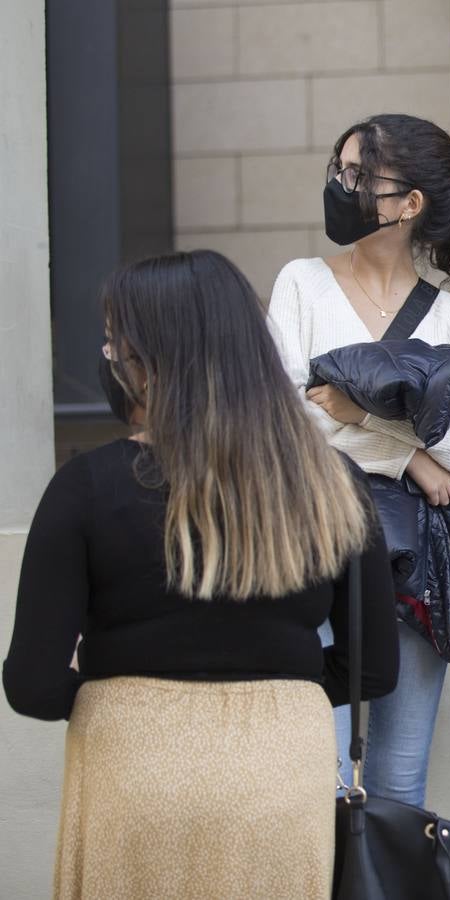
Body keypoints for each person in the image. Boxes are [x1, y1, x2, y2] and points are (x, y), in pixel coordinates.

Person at [3, 250, 399, 900]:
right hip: (280, 778)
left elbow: (31, 683)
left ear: (149, 363)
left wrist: (130, 699)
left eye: (114, 346)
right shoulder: (334, 484)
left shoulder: (85, 489)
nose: (108, 358)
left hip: (132, 774)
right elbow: (374, 669)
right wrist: (273, 693)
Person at [267, 113, 450, 806]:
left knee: (398, 783)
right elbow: (285, 420)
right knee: (315, 780)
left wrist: (366, 414)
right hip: (314, 552)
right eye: (338, 170)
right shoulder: (302, 285)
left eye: (358, 175)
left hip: (416, 568)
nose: (338, 185)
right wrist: (412, 460)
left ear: (410, 204)